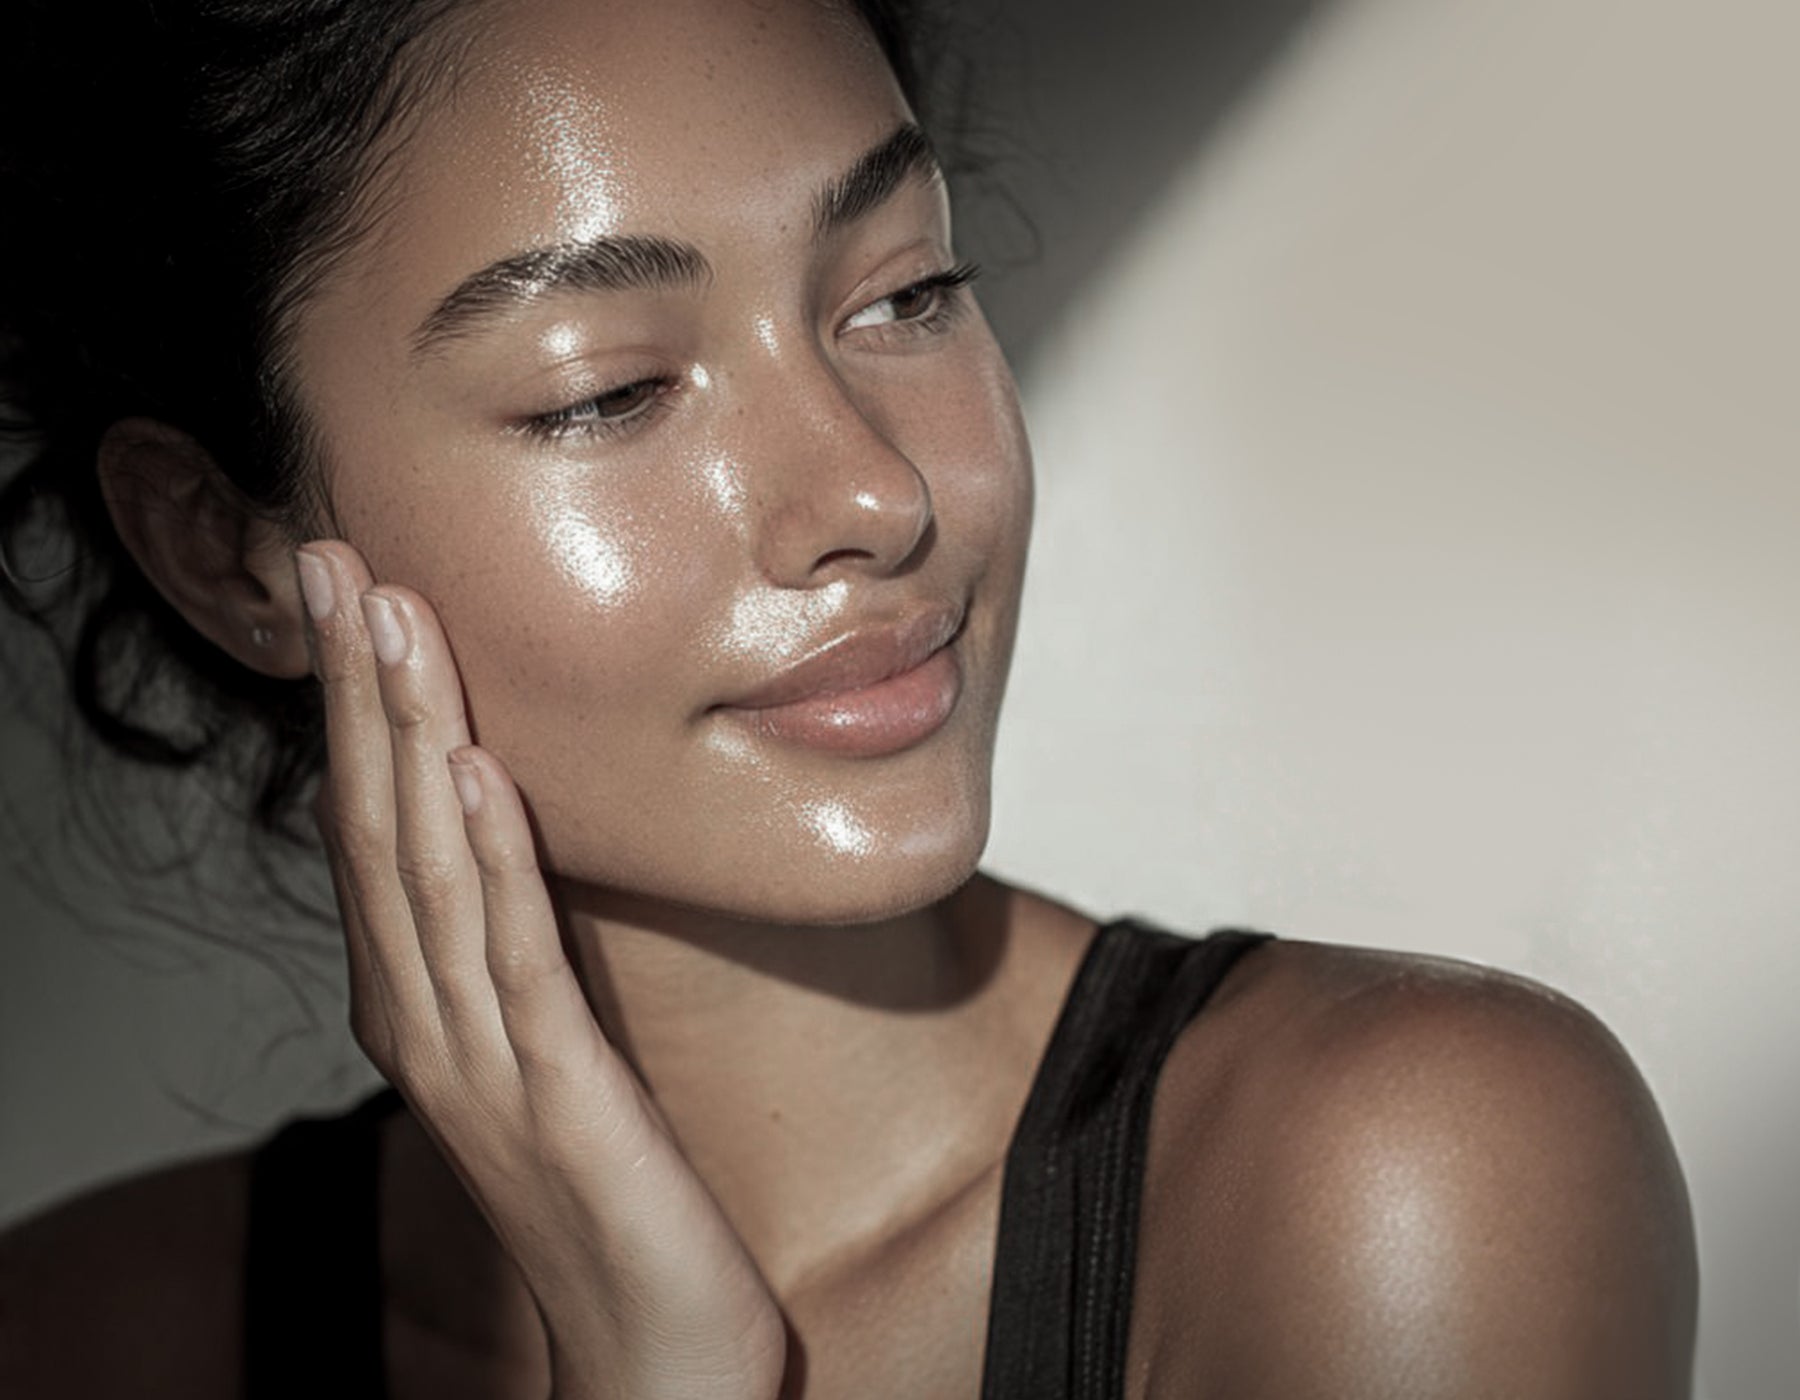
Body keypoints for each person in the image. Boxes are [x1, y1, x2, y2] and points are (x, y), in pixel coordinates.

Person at [0, 1, 1697, 1396]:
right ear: (222, 548)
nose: (876, 493)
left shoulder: (1401, 1181)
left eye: (905, 294)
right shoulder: (83, 1340)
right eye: (610, 392)